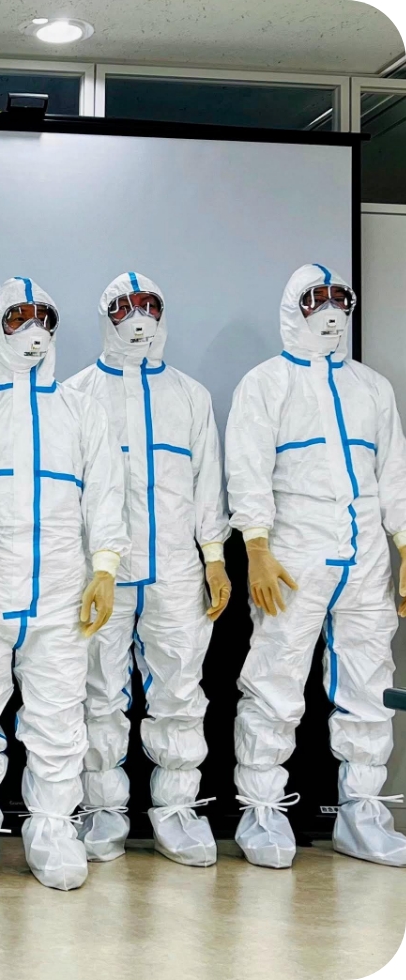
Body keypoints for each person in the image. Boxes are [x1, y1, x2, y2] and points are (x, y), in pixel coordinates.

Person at [0, 276, 128, 891]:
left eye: (45, 318)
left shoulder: (82, 411)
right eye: (18, 318)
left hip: (61, 593)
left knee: (59, 719)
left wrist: (105, 569)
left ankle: (53, 829)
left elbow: (105, 495)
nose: (34, 331)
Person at [227, 263, 406, 869]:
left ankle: (362, 814)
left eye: (339, 298)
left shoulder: (371, 387)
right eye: (316, 299)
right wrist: (256, 547)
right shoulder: (266, 383)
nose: (330, 310)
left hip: (366, 556)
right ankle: (261, 810)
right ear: (293, 308)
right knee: (275, 679)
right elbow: (247, 469)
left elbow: (394, 472)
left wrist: (405, 544)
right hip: (293, 554)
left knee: (369, 683)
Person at [66, 272, 231, 867]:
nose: (138, 318)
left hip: (176, 569)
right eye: (124, 308)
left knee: (180, 691)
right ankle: (102, 808)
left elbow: (207, 484)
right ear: (105, 316)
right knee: (97, 692)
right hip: (98, 570)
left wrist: (215, 557)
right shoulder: (76, 394)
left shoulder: (189, 396)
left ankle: (177, 810)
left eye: (149, 306)